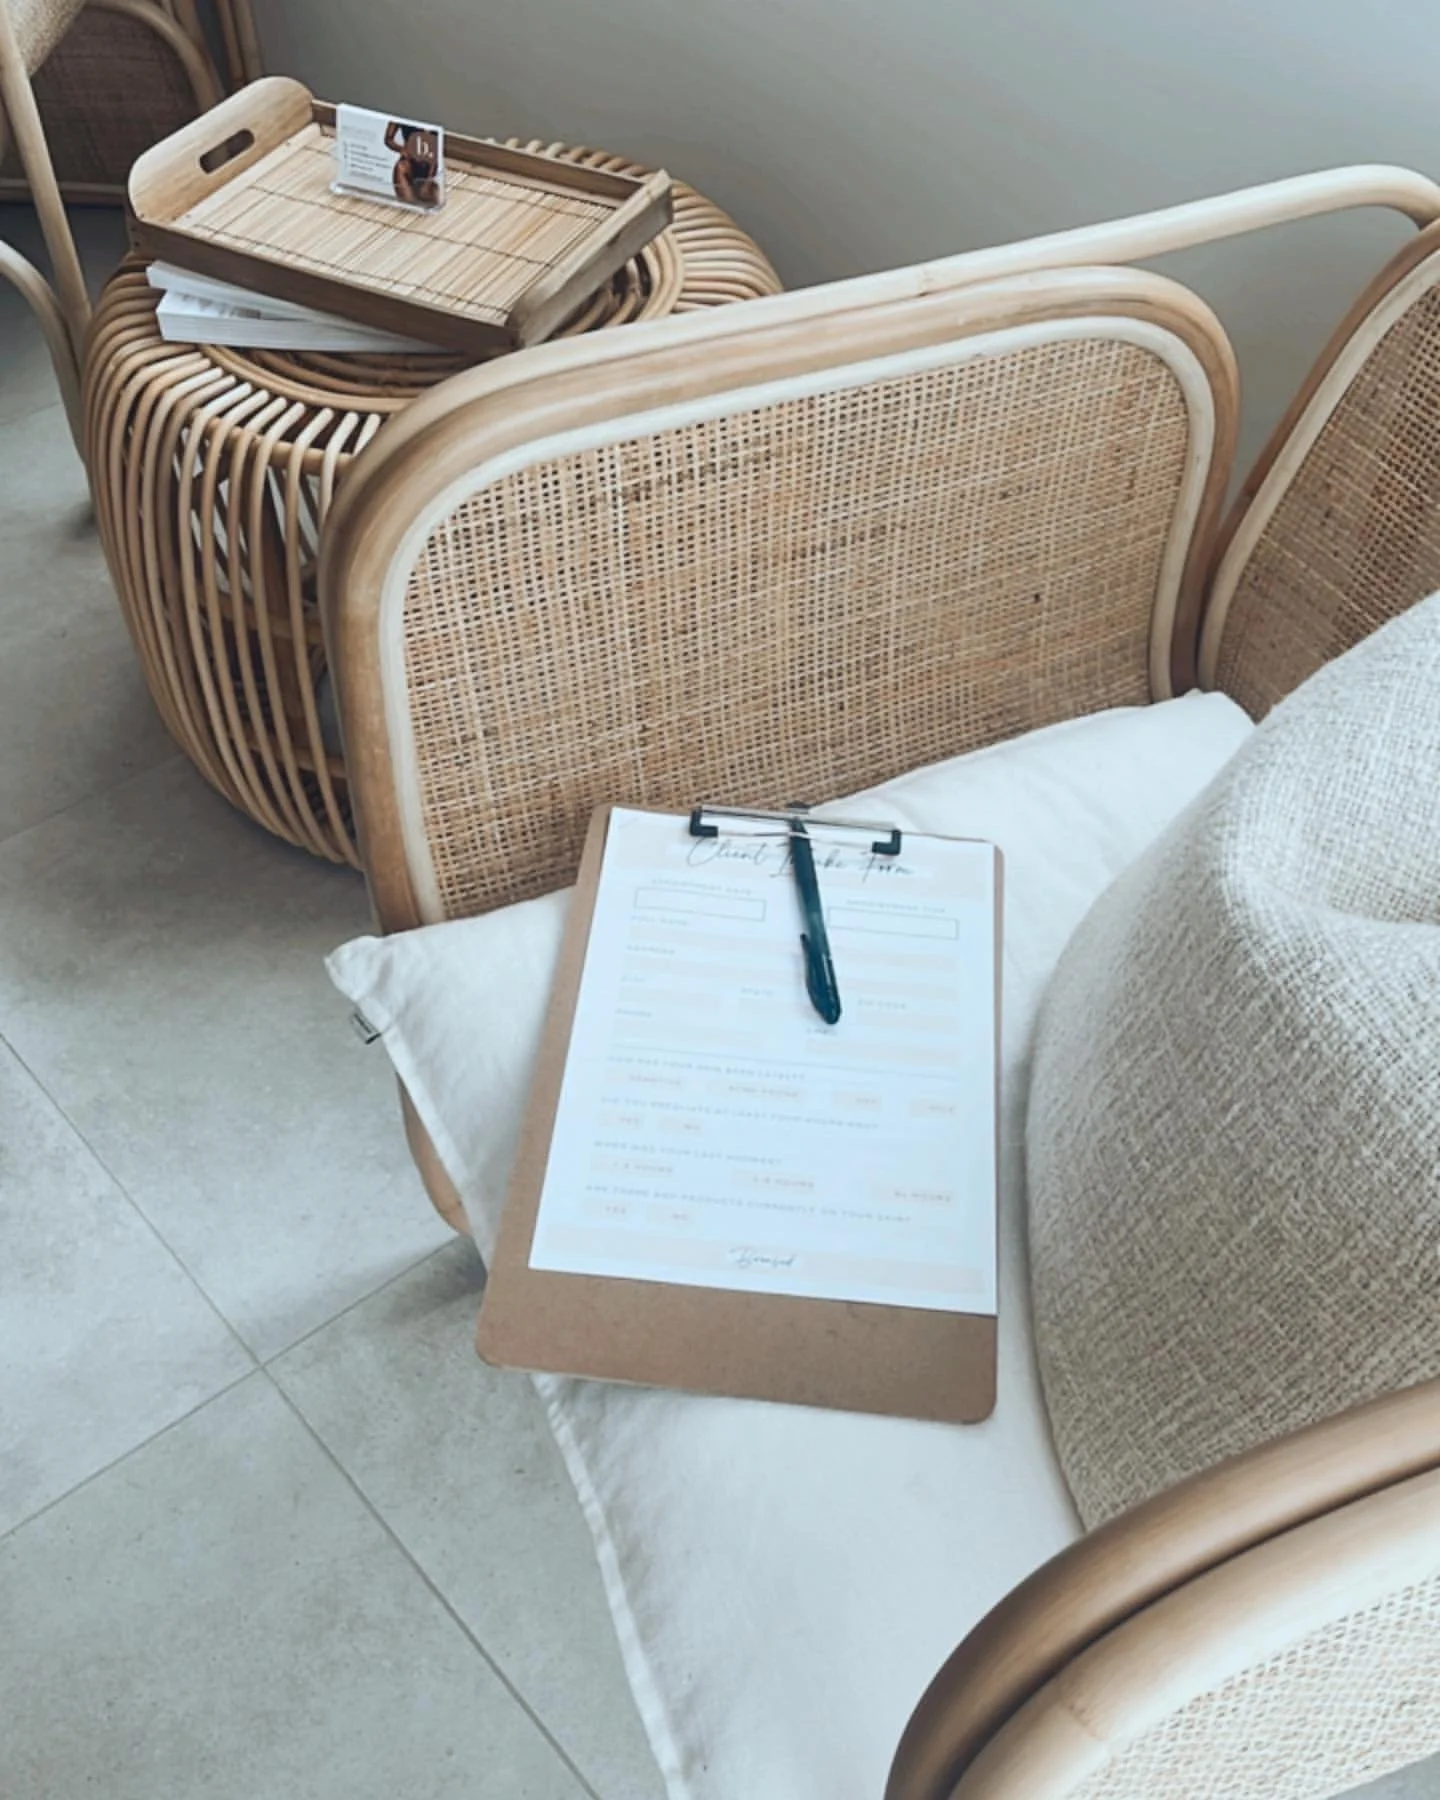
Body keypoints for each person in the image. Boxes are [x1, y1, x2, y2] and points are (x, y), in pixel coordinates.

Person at [385, 121, 441, 208]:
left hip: (430, 169)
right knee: (408, 208)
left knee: (434, 208)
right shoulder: (401, 111)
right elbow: (388, 139)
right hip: (407, 167)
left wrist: (428, 180)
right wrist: (402, 149)